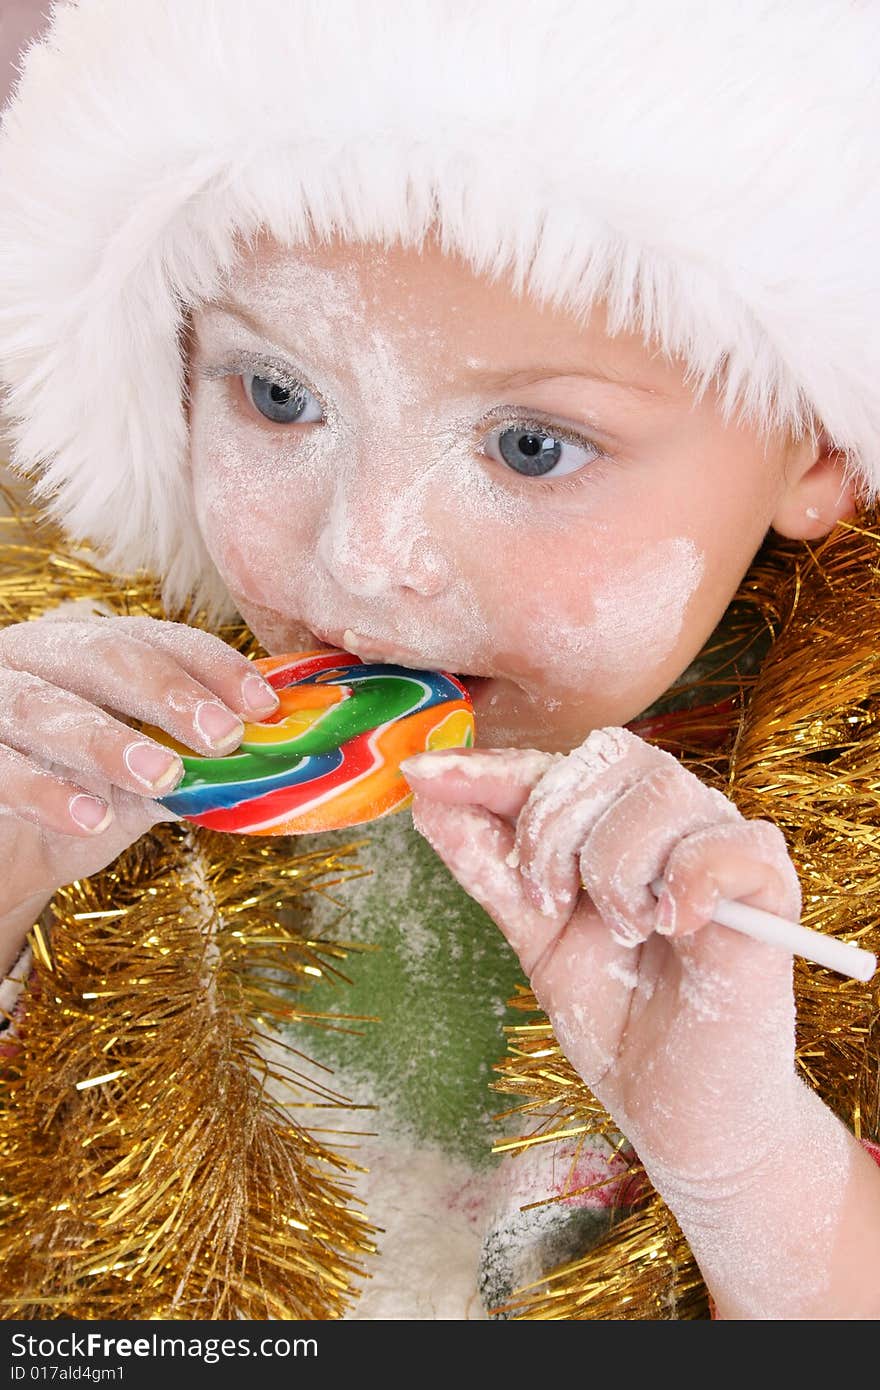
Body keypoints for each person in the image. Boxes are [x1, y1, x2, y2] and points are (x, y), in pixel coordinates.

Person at [0, 0, 878, 1319]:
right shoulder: (70, 716)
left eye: (532, 446)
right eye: (278, 393)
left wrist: (753, 1169)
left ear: (818, 436)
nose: (361, 559)